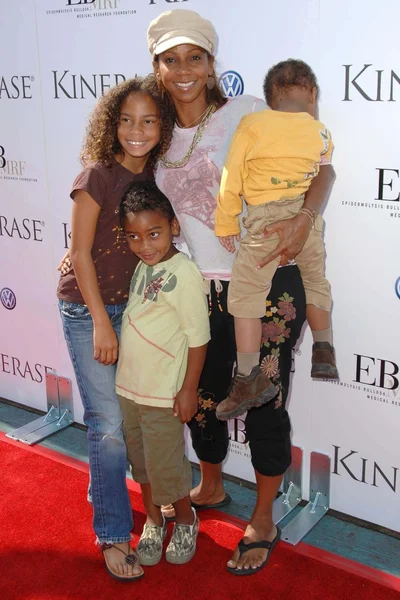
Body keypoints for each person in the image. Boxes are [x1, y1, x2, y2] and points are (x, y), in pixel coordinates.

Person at [148, 9, 335, 574]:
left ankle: (262, 516)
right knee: (204, 393)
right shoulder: (152, 134)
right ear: (157, 67)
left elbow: (323, 168)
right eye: (170, 59)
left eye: (195, 57)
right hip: (196, 287)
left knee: (262, 397)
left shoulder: (251, 111)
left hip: (270, 280)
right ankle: (209, 486)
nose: (184, 70)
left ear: (211, 63)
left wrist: (305, 217)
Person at [57, 76, 174, 581]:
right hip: (90, 311)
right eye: (126, 119)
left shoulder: (157, 182)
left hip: (137, 312)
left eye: (149, 120)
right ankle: (110, 532)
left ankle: (128, 498)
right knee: (106, 426)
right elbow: (80, 253)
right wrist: (103, 323)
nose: (136, 130)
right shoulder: (97, 175)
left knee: (132, 424)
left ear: (162, 126)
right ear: (112, 123)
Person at [215, 59, 338, 422]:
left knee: (245, 298)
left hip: (265, 224)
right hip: (306, 221)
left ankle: (248, 377)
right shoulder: (321, 132)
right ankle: (324, 349)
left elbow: (231, 177)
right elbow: (322, 171)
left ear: (270, 99)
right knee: (316, 280)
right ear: (312, 94)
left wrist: (225, 224)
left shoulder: (253, 124)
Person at [116, 181, 210, 566]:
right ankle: (154, 520)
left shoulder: (184, 272)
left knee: (166, 465)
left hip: (162, 394)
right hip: (129, 388)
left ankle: (185, 519)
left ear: (173, 226)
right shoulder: (142, 267)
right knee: (140, 462)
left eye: (153, 233)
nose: (145, 245)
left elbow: (198, 338)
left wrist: (188, 389)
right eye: (134, 237)